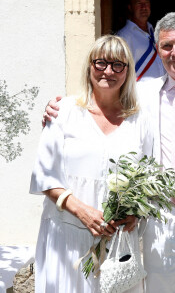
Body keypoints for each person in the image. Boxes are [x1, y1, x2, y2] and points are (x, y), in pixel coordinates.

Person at [43, 13, 175, 293]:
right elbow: (99, 101)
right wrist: (58, 109)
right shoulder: (142, 93)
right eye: (166, 46)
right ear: (158, 50)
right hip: (161, 220)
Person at [30, 35, 153, 293]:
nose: (108, 71)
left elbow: (147, 177)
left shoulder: (139, 120)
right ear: (89, 66)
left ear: (127, 71)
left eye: (117, 65)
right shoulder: (64, 112)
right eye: (100, 63)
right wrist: (82, 212)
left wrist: (135, 213)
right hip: (67, 236)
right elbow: (44, 176)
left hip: (116, 242)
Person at [117, 0, 165, 82]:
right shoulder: (123, 36)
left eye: (146, 3)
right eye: (139, 3)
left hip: (163, 89)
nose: (144, 7)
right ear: (130, 7)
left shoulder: (156, 32)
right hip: (139, 91)